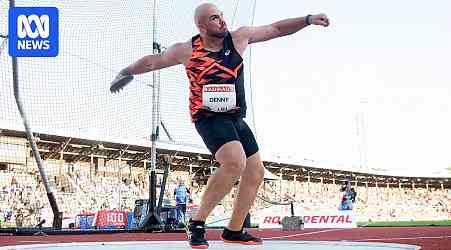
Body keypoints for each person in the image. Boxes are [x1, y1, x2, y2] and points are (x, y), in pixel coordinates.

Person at [110, 3, 329, 248]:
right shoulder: (187, 51)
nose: (222, 21)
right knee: (235, 162)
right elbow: (153, 61)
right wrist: (125, 71)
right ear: (201, 26)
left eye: (222, 16)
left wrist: (308, 19)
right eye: (215, 18)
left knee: (255, 172)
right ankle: (196, 222)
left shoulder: (238, 39)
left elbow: (276, 29)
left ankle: (234, 231)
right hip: (208, 118)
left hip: (235, 117)